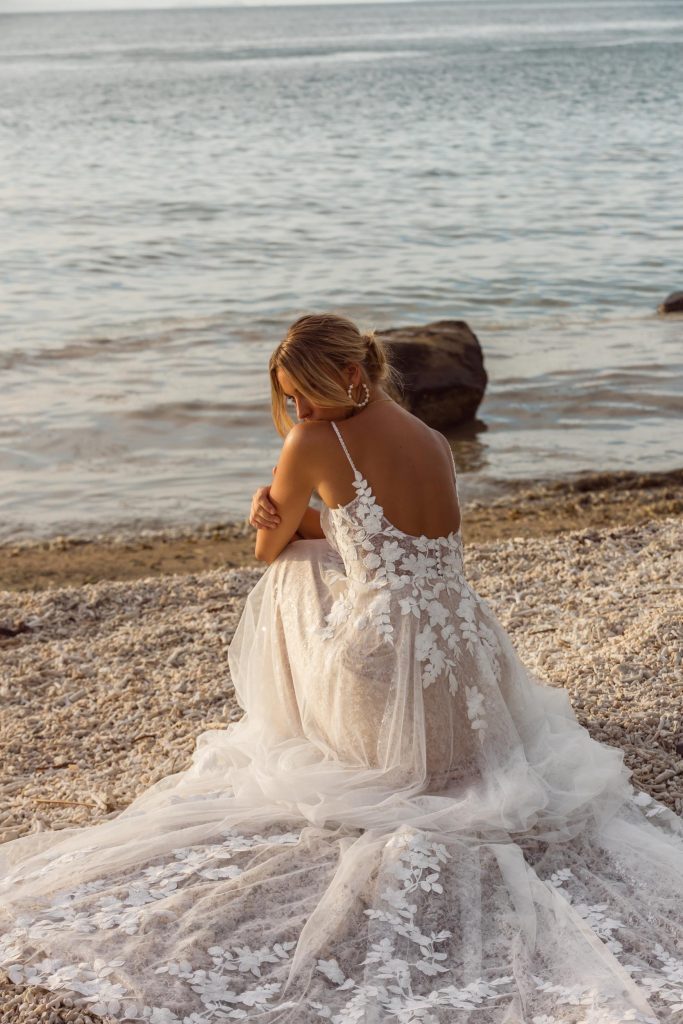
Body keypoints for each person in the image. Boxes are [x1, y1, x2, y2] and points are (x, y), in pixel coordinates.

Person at [0, 313, 681, 1023]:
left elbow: (269, 552)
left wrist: (268, 517)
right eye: (292, 399)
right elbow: (398, 539)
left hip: (380, 672)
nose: (298, 410)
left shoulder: (315, 441)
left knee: (291, 572)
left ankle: (291, 715)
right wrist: (313, 523)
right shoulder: (431, 440)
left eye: (305, 394)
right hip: (469, 661)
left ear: (351, 376)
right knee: (336, 558)